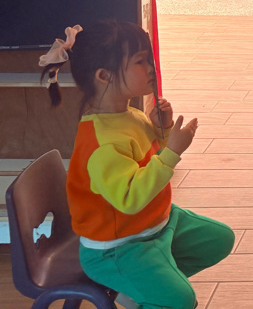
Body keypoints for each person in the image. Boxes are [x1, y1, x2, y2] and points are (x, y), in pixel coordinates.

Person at [39, 20, 233, 309]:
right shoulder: (103, 144)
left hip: (154, 224)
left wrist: (163, 131)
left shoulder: (130, 115)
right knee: (181, 300)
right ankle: (147, 289)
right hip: (117, 248)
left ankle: (144, 289)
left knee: (219, 239)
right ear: (104, 76)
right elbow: (130, 198)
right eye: (141, 61)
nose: (151, 68)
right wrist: (173, 152)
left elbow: (149, 162)